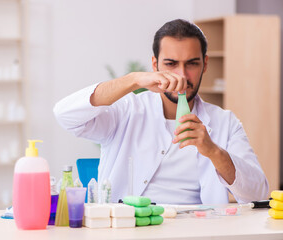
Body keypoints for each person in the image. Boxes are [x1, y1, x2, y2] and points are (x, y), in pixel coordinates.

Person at [53, 19, 268, 204]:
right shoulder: (127, 110)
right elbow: (65, 115)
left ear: (205, 65)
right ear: (155, 65)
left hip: (197, 230)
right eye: (171, 64)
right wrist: (133, 80)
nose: (182, 75)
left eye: (192, 64)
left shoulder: (225, 123)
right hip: (130, 228)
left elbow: (258, 194)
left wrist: (213, 151)